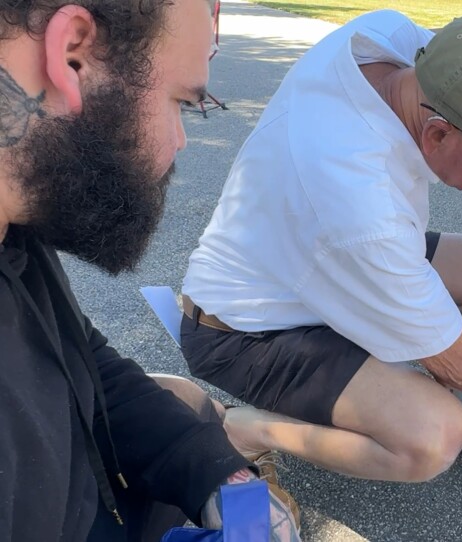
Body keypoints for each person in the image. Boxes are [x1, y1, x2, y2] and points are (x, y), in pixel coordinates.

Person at [179, 9, 462, 484]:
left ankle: (389, 347)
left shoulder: (384, 37)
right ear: (438, 133)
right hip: (241, 334)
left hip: (304, 261)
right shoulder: (362, 204)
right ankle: (248, 430)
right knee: (435, 435)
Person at [0, 0, 300, 540]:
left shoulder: (16, 227)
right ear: (73, 56)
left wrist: (222, 479)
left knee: (188, 401)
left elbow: (80, 363)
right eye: (181, 102)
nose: (180, 140)